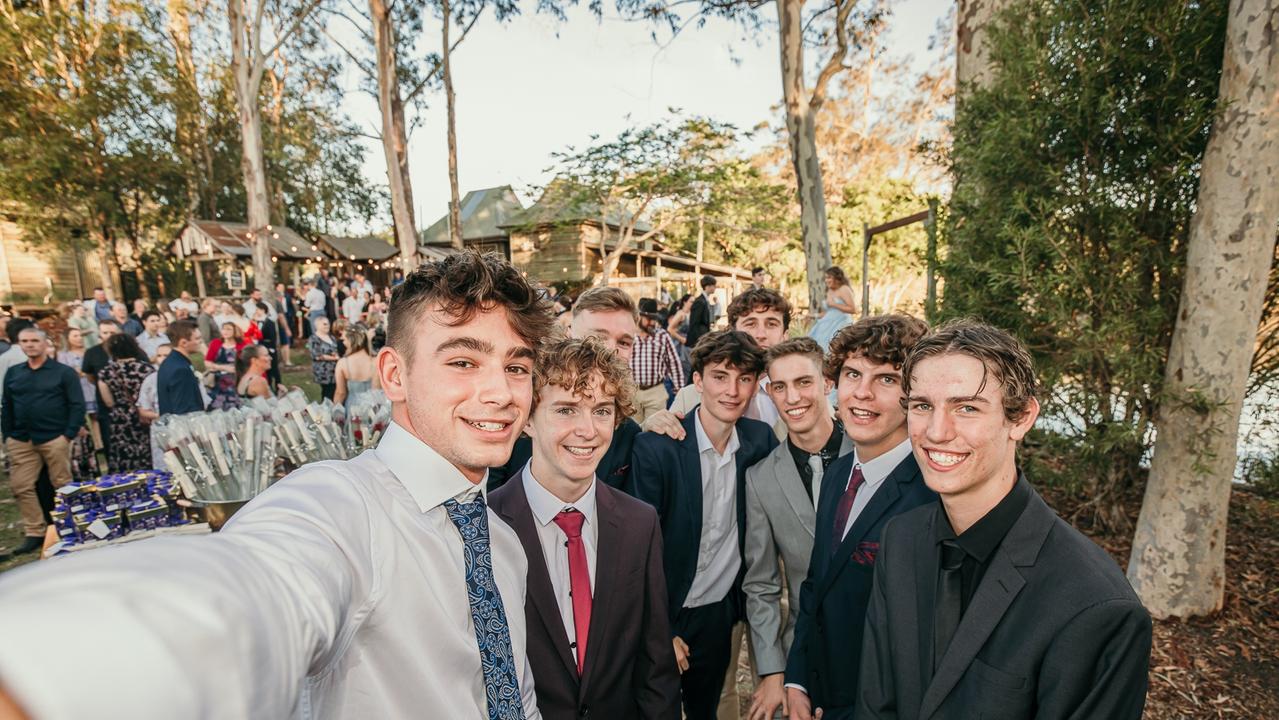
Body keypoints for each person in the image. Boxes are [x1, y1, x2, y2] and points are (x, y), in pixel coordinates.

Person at [0, 251, 549, 718]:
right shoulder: (340, 506)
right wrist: (48, 673)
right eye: (463, 361)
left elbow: (514, 694)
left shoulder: (501, 542)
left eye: (517, 367)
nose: (501, 392)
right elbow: (251, 592)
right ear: (393, 375)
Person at [856, 320, 1153, 719]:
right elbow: (877, 705)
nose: (936, 432)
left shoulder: (1097, 605)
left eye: (967, 408)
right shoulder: (899, 539)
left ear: (1021, 417)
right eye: (923, 405)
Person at [489, 336, 681, 720]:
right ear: (527, 417)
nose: (588, 430)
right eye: (566, 410)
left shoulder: (639, 523)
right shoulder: (487, 524)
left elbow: (655, 664)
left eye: (602, 410)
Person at [783, 315, 935, 720]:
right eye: (852, 374)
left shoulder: (931, 498)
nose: (862, 394)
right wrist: (797, 679)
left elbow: (922, 645)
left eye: (886, 379)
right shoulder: (838, 473)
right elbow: (815, 586)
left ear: (915, 395)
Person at [628, 330, 778, 720]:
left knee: (706, 710)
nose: (732, 390)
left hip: (717, 611)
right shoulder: (659, 447)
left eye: (744, 379)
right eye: (720, 376)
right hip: (666, 606)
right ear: (697, 381)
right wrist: (659, 627)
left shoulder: (759, 441)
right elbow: (638, 548)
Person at [739, 337, 853, 720]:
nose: (793, 397)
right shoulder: (760, 479)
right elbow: (762, 585)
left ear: (827, 382)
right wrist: (773, 670)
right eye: (780, 387)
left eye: (804, 382)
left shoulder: (871, 450)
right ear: (768, 392)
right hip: (808, 650)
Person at [0, 327, 85, 556]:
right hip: (21, 439)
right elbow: (6, 404)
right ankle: (35, 531)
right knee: (21, 486)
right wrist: (7, 434)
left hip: (54, 436)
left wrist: (67, 434)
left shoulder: (63, 372)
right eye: (24, 341)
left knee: (62, 484)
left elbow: (77, 405)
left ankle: (68, 526)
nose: (29, 345)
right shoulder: (14, 372)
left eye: (34, 341)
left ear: (45, 343)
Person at [97, 333, 155, 473]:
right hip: (144, 416)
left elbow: (108, 401)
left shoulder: (106, 372)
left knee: (123, 458)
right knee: (145, 454)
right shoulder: (146, 369)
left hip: (120, 419)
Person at [630, 298, 685, 425]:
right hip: (631, 392)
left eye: (654, 319)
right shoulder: (629, 335)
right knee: (632, 431)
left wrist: (679, 389)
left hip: (655, 392)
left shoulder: (662, 336)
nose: (652, 323)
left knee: (654, 432)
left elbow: (674, 363)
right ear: (638, 317)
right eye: (648, 319)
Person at [157, 318, 207, 415]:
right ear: (184, 343)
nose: (201, 342)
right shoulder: (180, 369)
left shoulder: (171, 361)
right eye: (197, 338)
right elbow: (184, 409)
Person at [136, 343, 172, 469]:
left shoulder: (187, 374)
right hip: (159, 428)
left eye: (166, 355)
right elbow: (143, 409)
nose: (162, 358)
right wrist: (161, 415)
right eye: (159, 355)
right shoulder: (150, 380)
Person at [807, 266, 855, 351]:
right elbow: (829, 313)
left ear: (837, 278)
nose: (826, 280)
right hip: (826, 325)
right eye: (825, 278)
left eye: (829, 277)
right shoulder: (830, 291)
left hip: (840, 324)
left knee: (834, 347)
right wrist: (813, 315)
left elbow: (853, 309)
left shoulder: (844, 289)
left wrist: (834, 304)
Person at [332, 323, 378, 408]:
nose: (344, 343)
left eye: (345, 339)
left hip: (353, 409)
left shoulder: (343, 363)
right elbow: (377, 390)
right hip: (373, 407)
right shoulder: (375, 361)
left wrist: (335, 410)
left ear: (351, 341)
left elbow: (340, 393)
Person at [206, 322, 246, 410]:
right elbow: (207, 362)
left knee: (234, 405)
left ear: (235, 331)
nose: (225, 331)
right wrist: (222, 367)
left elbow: (246, 363)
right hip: (216, 379)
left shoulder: (242, 345)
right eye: (223, 329)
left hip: (235, 379)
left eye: (229, 329)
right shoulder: (215, 343)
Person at [307, 316, 341, 401]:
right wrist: (335, 358)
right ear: (317, 325)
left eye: (328, 323)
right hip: (324, 371)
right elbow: (317, 355)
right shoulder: (313, 339)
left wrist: (337, 354)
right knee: (327, 393)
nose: (327, 326)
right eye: (324, 324)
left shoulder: (331, 337)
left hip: (335, 370)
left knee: (336, 390)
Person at [686, 275, 716, 355]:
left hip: (702, 339)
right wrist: (700, 342)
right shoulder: (700, 301)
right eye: (713, 285)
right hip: (697, 342)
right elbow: (694, 323)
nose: (714, 287)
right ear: (707, 286)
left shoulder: (704, 300)